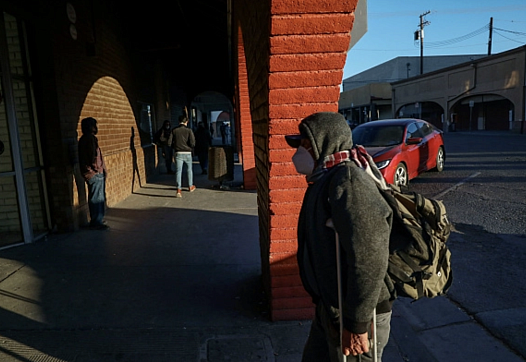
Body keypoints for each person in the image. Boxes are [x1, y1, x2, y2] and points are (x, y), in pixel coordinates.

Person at [285, 112, 395, 362]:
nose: (298, 152)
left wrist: (357, 324)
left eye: (304, 144)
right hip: (331, 308)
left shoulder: (348, 182)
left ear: (323, 143)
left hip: (357, 314)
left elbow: (370, 256)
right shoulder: (323, 179)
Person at [78, 117, 109, 230]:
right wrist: (98, 169)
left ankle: (97, 219)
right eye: (94, 125)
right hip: (94, 173)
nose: (96, 127)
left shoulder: (84, 139)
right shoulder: (90, 139)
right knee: (97, 198)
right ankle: (96, 221)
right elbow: (93, 157)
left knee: (96, 196)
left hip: (90, 172)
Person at [172, 115, 196, 197]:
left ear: (179, 121)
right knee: (189, 170)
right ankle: (190, 186)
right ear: (187, 122)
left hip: (178, 152)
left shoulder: (174, 130)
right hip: (188, 153)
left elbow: (169, 142)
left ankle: (179, 190)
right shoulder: (189, 131)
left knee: (178, 171)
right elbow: (193, 143)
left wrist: (175, 147)